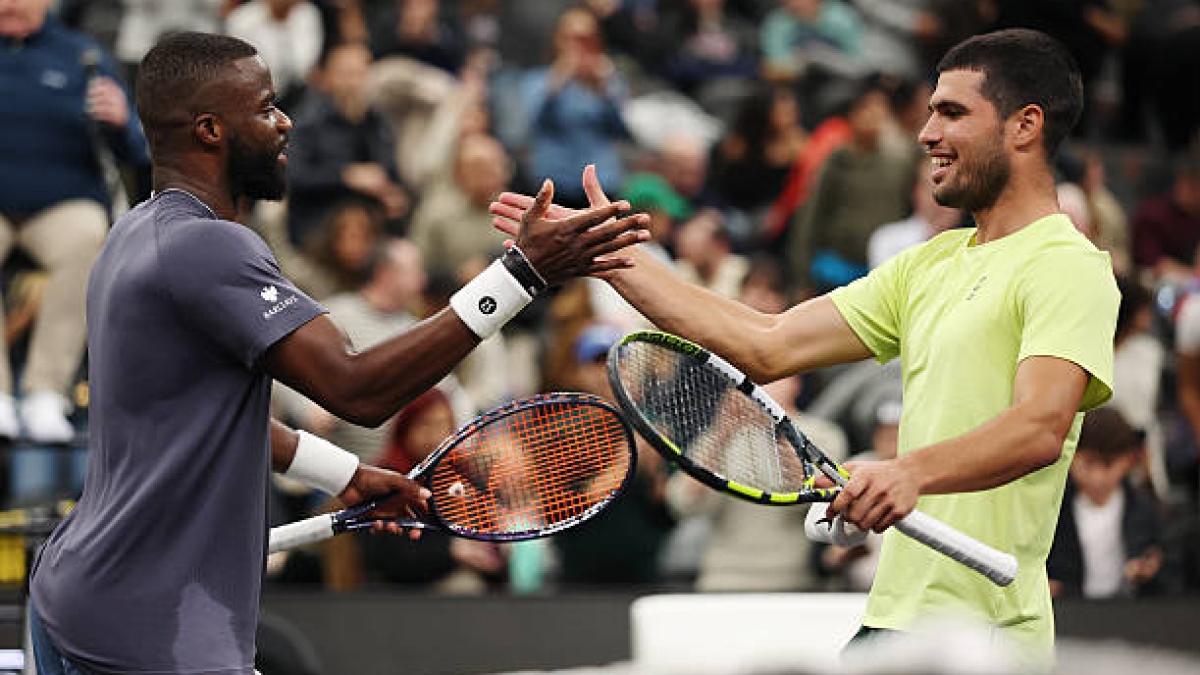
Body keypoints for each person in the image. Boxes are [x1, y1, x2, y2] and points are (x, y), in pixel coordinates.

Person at [493, 29, 1119, 669]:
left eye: (951, 112)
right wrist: (610, 258)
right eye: (930, 111)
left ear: (1025, 126)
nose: (926, 133)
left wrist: (909, 471)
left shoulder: (1067, 265)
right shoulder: (930, 264)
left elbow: (1040, 427)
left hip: (983, 633)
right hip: (891, 620)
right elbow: (767, 343)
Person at [27, 31, 648, 674]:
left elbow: (201, 415)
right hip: (150, 638)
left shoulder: (133, 233)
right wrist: (521, 274)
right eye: (266, 108)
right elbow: (357, 391)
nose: (285, 121)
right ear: (211, 131)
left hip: (75, 601)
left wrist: (344, 475)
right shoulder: (208, 248)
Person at [0, 0, 150, 444]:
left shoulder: (82, 55)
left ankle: (46, 390)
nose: (8, 5)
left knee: (90, 236)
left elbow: (137, 153)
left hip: (63, 202)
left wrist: (123, 122)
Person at [1047, 405, 1167, 599]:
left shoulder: (1146, 511)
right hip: (1069, 616)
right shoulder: (1052, 512)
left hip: (1129, 616)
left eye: (1109, 465)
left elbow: (1168, 573)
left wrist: (1148, 572)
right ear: (1069, 457)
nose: (1098, 478)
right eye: (1088, 464)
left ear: (1129, 460)